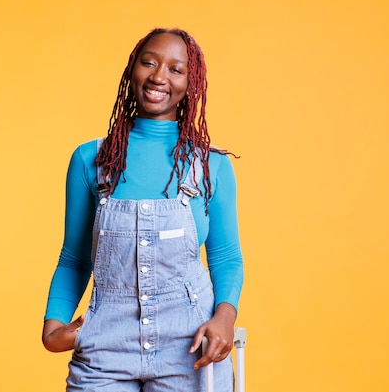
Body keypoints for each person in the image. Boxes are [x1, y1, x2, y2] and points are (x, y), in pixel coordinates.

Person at [42, 27, 244, 391]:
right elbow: (74, 258)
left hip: (191, 344)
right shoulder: (92, 159)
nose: (158, 76)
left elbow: (226, 257)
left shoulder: (210, 166)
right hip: (105, 344)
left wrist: (225, 317)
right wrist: (53, 325)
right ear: (132, 69)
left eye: (175, 69)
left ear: (191, 83)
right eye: (148, 62)